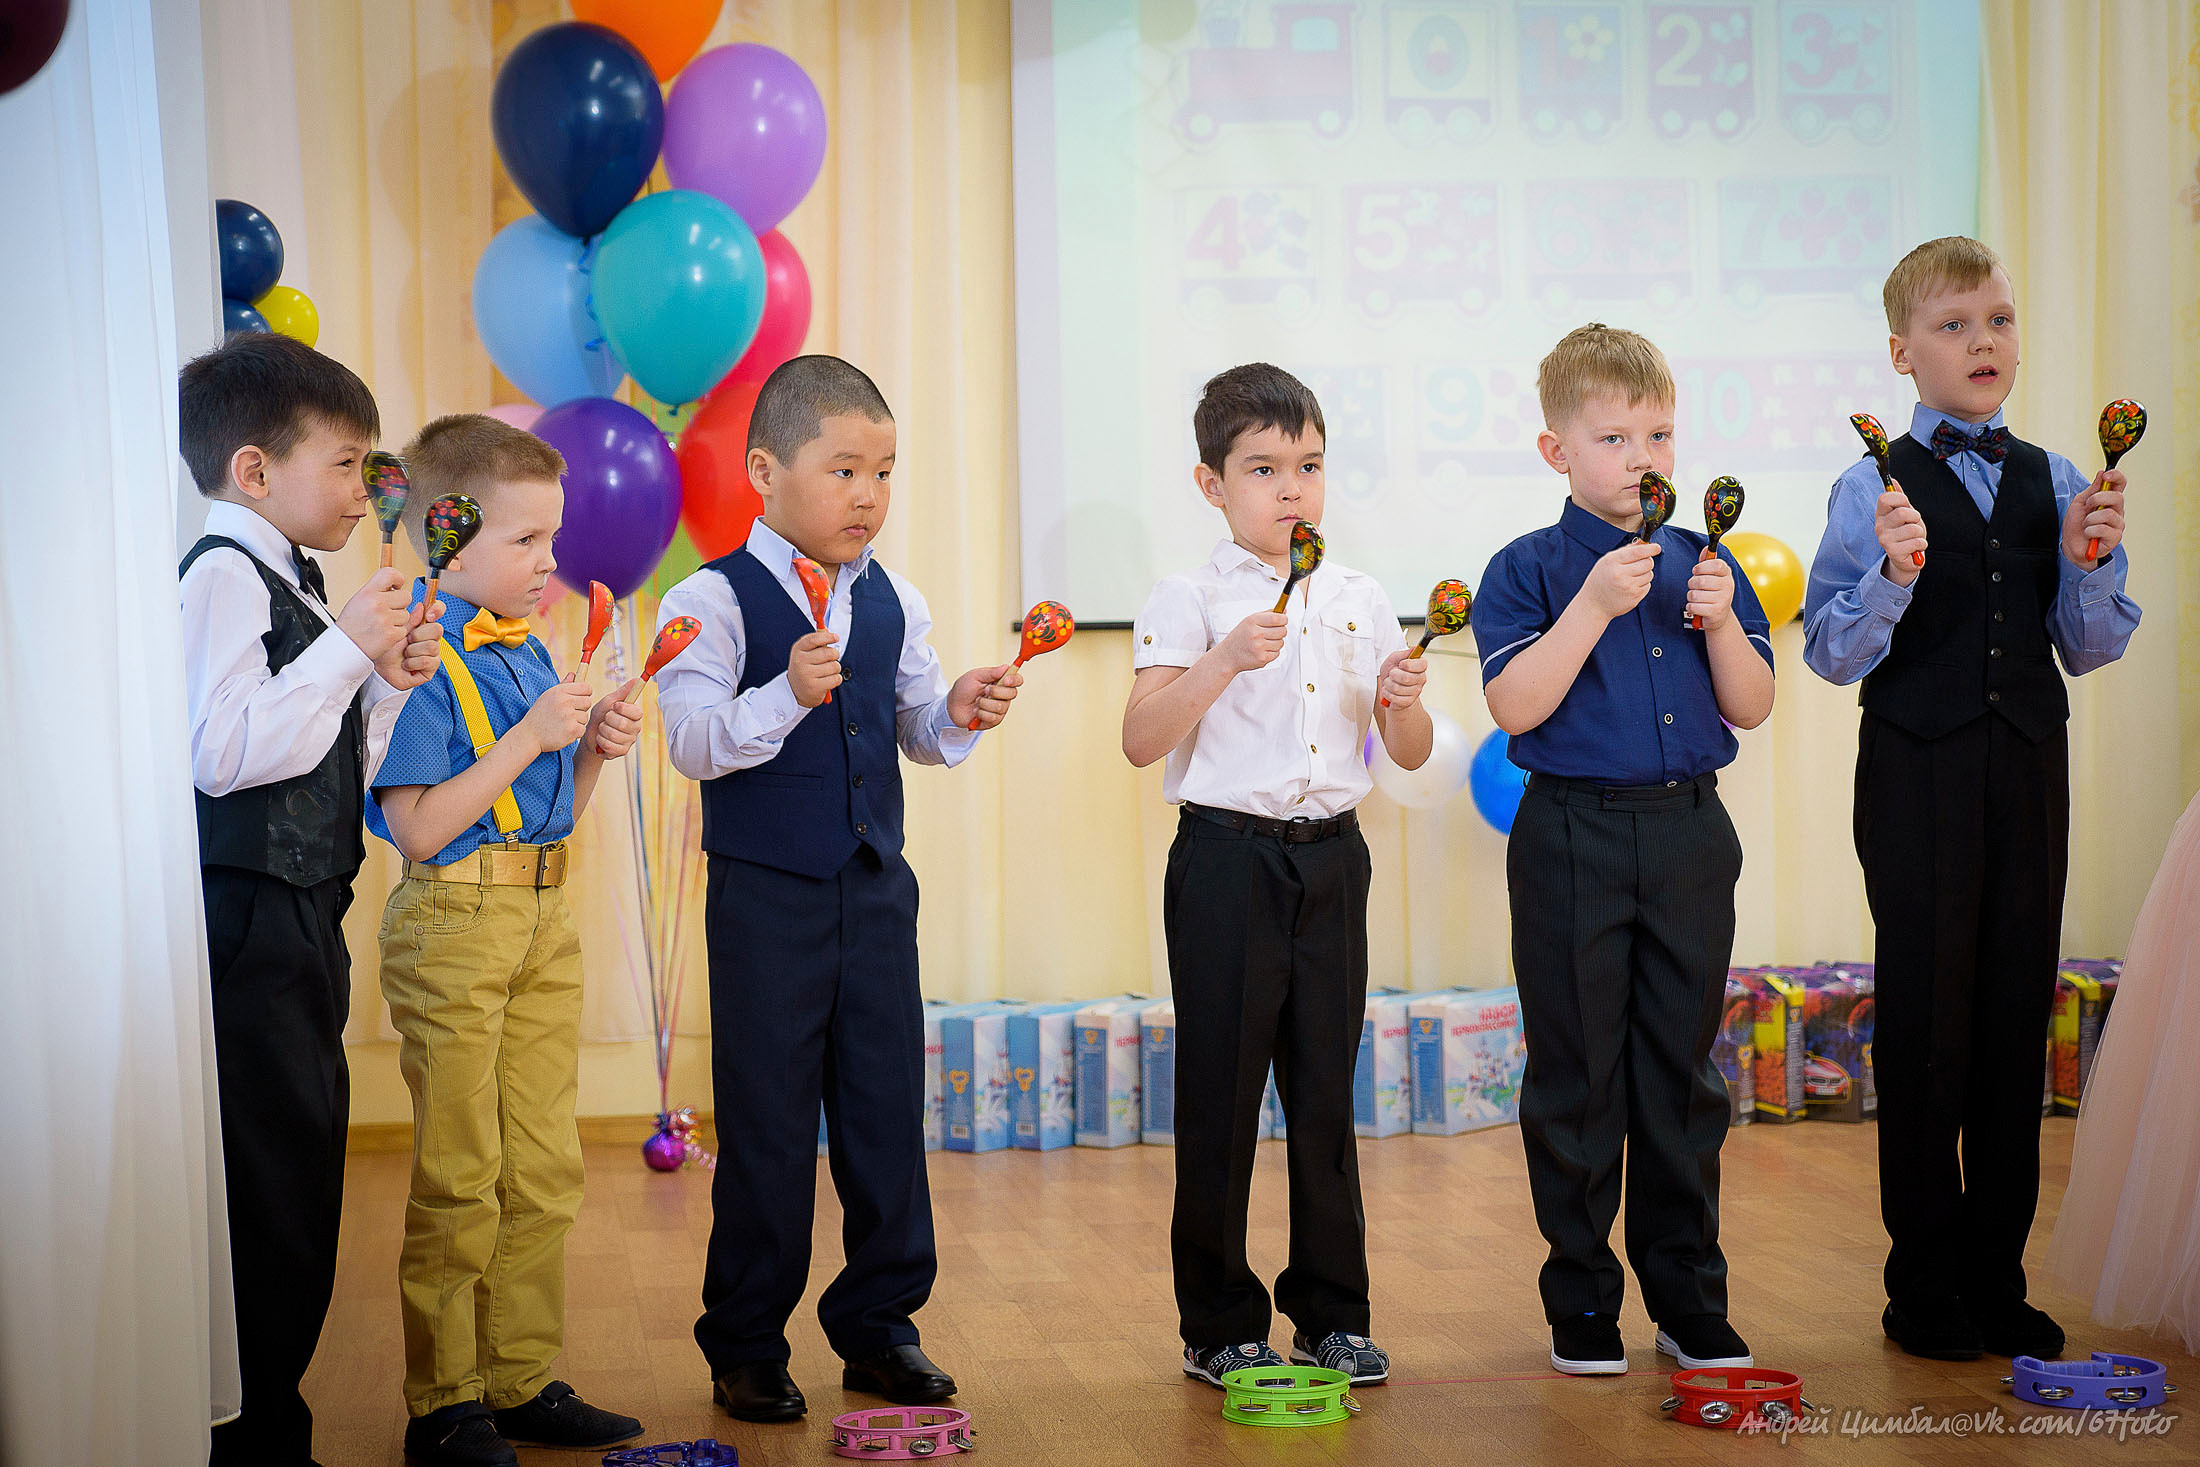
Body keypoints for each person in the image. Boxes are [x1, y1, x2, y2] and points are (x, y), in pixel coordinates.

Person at [654, 356, 1022, 1423]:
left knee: (881, 1115)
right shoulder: (708, 597)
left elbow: (917, 733)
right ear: (765, 472)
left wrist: (960, 706)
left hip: (873, 893)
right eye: (844, 469)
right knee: (767, 1124)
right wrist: (784, 692)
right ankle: (747, 1344)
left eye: (886, 472)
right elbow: (689, 742)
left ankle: (879, 1327)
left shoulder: (894, 599)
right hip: (766, 895)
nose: (868, 494)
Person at [1802, 235, 2140, 1361]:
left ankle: (1999, 1275)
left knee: (2009, 1017)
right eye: (1952, 325)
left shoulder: (2053, 477)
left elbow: (2085, 650)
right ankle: (1923, 1282)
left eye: (1996, 319)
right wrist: (1893, 575)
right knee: (1926, 1026)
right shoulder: (1869, 486)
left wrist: (2090, 562)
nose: (1981, 340)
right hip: (1915, 773)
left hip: (2024, 769)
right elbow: (1831, 656)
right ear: (1901, 352)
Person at [1470, 323, 1774, 1376]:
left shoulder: (1706, 561)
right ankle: (1581, 1300)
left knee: (1680, 1074)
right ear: (1557, 451)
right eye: (1612, 437)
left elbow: (1752, 706)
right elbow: (1515, 703)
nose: (1641, 457)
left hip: (1690, 829)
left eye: (1659, 434)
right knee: (1576, 1073)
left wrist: (1725, 624)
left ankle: (1688, 1297)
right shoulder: (1525, 569)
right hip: (1568, 833)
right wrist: (1595, 609)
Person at [1122, 362, 1432, 1390]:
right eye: (1262, 468)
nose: (1290, 488)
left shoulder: (1360, 597)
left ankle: (1332, 1315)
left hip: (1333, 860)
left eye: (1307, 465)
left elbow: (1413, 753)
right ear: (1211, 484)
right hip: (1225, 861)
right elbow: (1139, 739)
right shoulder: (1190, 596)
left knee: (1323, 1099)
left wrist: (1399, 701)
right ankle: (1216, 1324)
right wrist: (1220, 662)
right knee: (1220, 1095)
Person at [177, 331, 443, 1464]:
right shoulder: (223, 575)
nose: (362, 485)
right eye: (344, 462)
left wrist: (382, 679)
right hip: (249, 919)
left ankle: (273, 1422)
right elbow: (224, 751)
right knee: (270, 1191)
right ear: (253, 472)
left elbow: (320, 745)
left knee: (298, 1179)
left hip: (300, 915)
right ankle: (257, 1437)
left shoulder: (299, 579)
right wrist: (343, 651)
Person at [368, 413, 645, 1466]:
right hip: (454, 922)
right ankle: (445, 1399)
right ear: (453, 537)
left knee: (544, 1165)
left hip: (540, 910)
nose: (549, 563)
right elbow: (421, 826)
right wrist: (535, 735)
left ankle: (518, 1377)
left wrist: (591, 753)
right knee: (460, 1168)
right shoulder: (422, 657)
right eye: (526, 541)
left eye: (552, 540)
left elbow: (545, 809)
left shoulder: (527, 651)